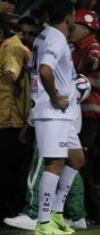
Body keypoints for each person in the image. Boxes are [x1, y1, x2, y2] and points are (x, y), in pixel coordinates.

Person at [29, 1, 85, 235]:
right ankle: (43, 221)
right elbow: (44, 70)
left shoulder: (44, 36)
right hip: (52, 112)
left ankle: (57, 212)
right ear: (69, 17)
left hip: (62, 114)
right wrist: (56, 97)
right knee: (55, 163)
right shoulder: (55, 38)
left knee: (77, 158)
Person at [70, 9, 100, 225]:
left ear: (86, 29)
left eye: (74, 27)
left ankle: (93, 213)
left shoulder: (92, 47)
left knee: (80, 162)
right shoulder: (75, 48)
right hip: (81, 113)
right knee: (80, 162)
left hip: (89, 113)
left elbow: (96, 60)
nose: (70, 30)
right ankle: (90, 212)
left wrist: (86, 65)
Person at [0, 14, 32, 222]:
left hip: (12, 122)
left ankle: (11, 213)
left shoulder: (11, 47)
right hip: (7, 121)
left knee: (8, 170)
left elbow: (12, 66)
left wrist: (10, 73)